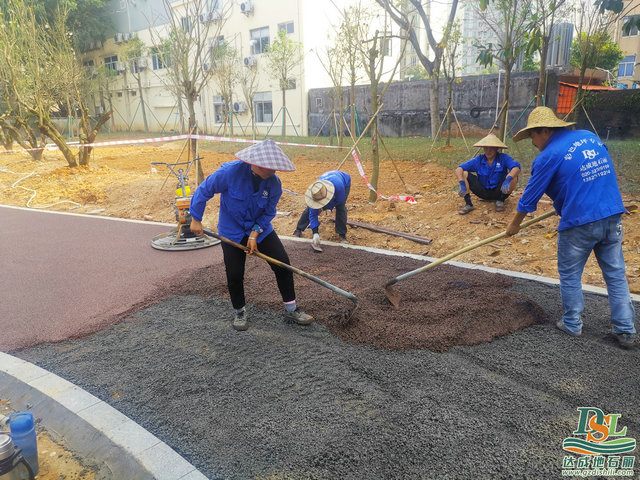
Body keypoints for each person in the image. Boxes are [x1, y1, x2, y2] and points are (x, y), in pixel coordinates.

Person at [506, 106, 636, 349]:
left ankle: (572, 323)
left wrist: (514, 225)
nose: (532, 143)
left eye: (532, 136)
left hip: (580, 223)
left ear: (545, 131)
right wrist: (567, 197)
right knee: (616, 275)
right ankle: (626, 330)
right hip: (611, 215)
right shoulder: (589, 137)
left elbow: (529, 199)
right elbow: (590, 171)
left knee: (570, 273)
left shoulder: (547, 156)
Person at [189, 138, 313, 332]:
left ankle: (291, 309)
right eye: (269, 168)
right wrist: (196, 218)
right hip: (232, 230)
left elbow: (269, 212)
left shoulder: (274, 184)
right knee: (235, 274)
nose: (273, 171)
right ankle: (239, 311)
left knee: (283, 265)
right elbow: (205, 190)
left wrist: (255, 234)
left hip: (260, 229)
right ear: (256, 164)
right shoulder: (229, 173)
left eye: (275, 168)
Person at [455, 133, 521, 214]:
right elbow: (459, 169)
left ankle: (501, 200)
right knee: (464, 173)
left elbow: (516, 168)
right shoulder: (479, 159)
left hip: (499, 191)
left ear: (496, 149)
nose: (488, 151)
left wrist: (508, 179)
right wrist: (462, 182)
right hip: (482, 191)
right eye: (486, 148)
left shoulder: (503, 158)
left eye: (491, 148)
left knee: (513, 176)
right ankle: (468, 204)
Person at [293, 170, 351, 249]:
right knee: (309, 209)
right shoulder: (316, 191)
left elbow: (338, 201)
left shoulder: (339, 187)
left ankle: (342, 235)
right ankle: (299, 229)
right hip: (328, 180)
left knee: (341, 208)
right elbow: (312, 214)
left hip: (344, 182)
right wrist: (315, 233)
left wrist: (323, 207)